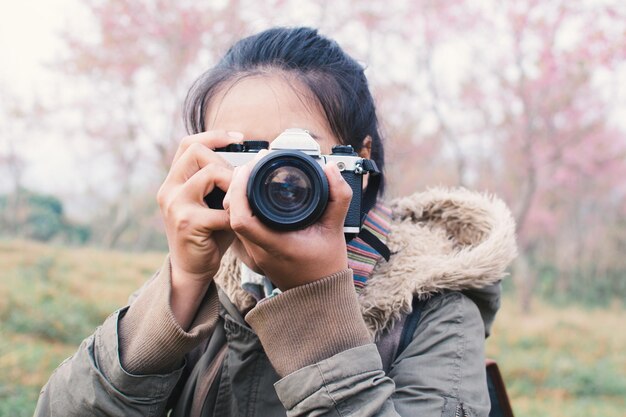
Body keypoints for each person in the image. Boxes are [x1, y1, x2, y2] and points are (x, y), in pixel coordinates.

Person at [35, 27, 517, 417]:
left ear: (360, 159)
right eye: (243, 156)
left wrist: (317, 302)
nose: (273, 181)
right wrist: (181, 284)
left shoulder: (434, 309)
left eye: (295, 158)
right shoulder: (211, 285)